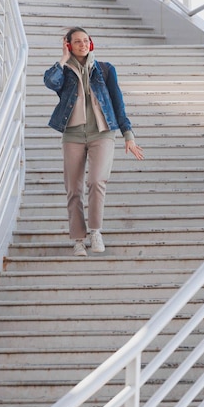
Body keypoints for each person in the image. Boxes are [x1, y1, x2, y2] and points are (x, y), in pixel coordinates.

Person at [44, 27, 144, 256]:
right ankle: (78, 239)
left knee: (97, 180)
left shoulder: (105, 69)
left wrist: (128, 134)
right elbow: (50, 82)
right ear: (68, 45)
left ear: (92, 43)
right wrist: (63, 58)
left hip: (103, 133)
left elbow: (118, 102)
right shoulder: (64, 71)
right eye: (76, 42)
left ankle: (95, 231)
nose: (83, 45)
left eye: (86, 41)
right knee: (73, 189)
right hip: (73, 134)